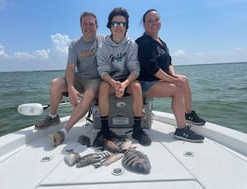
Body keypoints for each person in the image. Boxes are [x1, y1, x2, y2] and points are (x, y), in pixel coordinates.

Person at [34, 12, 105, 146]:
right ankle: (53, 116)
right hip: (80, 77)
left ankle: (63, 132)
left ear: (97, 26)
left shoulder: (105, 40)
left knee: (89, 94)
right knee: (55, 83)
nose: (88, 27)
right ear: (80, 26)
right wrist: (71, 88)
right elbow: (71, 68)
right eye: (85, 24)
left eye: (91, 24)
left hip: (95, 79)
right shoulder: (74, 44)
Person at [136, 9, 205, 143]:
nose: (154, 23)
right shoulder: (144, 42)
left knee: (183, 79)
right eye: (149, 21)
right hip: (145, 82)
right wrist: (173, 80)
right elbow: (153, 69)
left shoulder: (161, 42)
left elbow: (169, 63)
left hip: (158, 79)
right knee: (178, 90)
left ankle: (188, 113)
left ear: (160, 22)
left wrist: (174, 75)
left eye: (156, 19)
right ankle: (181, 129)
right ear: (144, 24)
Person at [94, 7, 151, 146]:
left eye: (122, 23)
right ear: (110, 25)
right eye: (115, 23)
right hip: (111, 81)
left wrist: (124, 84)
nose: (118, 27)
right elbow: (103, 71)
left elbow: (135, 69)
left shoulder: (132, 45)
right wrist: (114, 84)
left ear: (126, 26)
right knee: (103, 87)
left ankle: (137, 129)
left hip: (128, 80)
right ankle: (105, 129)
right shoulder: (103, 47)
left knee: (137, 86)